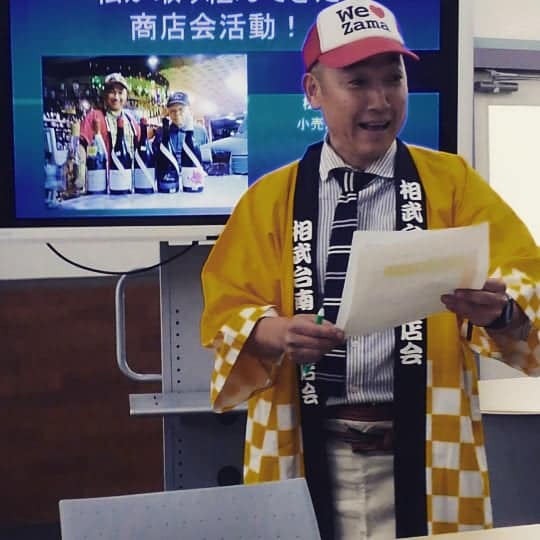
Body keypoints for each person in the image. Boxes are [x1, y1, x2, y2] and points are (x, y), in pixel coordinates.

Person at [200, 1, 540, 539]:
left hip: (428, 454)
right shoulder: (268, 200)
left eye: (393, 79)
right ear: (314, 91)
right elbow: (226, 312)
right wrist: (276, 332)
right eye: (357, 82)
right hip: (304, 449)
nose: (380, 101)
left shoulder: (453, 184)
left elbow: (526, 278)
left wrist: (501, 309)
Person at [152, 91, 204, 191]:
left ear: (189, 110)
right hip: (170, 184)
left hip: (194, 184)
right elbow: (155, 161)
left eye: (181, 109)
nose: (177, 114)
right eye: (172, 111)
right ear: (168, 113)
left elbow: (207, 161)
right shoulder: (161, 133)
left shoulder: (200, 132)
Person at [80, 72, 140, 157]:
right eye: (112, 92)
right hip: (101, 165)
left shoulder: (132, 123)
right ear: (105, 94)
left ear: (126, 96)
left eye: (120, 92)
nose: (116, 97)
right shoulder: (93, 117)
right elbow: (81, 144)